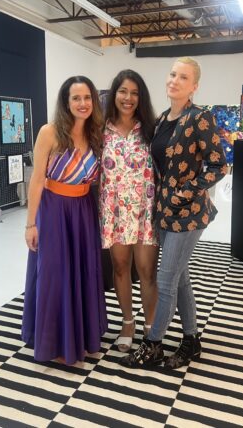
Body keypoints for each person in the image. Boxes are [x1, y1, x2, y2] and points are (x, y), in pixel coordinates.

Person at [121, 57, 227, 370]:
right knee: (180, 280)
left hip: (189, 213)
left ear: (194, 86)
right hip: (164, 213)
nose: (174, 81)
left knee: (165, 281)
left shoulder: (200, 118)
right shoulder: (162, 119)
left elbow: (219, 165)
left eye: (183, 77)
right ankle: (191, 340)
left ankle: (153, 345)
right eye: (172, 74)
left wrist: (187, 190)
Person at [21, 76, 107, 365]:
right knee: (54, 273)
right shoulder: (50, 132)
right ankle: (54, 341)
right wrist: (31, 224)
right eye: (76, 98)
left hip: (84, 210)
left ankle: (81, 335)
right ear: (66, 102)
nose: (83, 103)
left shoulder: (96, 134)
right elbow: (36, 180)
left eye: (87, 97)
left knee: (84, 271)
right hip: (54, 209)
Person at [99, 69, 158, 352]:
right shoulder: (100, 130)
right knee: (120, 268)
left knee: (147, 271)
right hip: (114, 212)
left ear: (141, 97)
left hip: (145, 211)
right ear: (114, 94)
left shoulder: (151, 129)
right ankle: (127, 323)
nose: (128, 98)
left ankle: (151, 327)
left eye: (134, 93)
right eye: (123, 91)